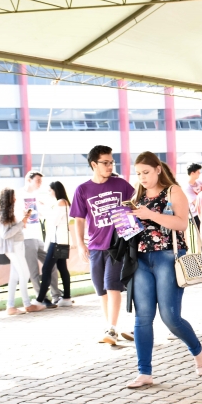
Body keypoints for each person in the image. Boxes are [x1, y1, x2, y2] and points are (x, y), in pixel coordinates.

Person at [125, 152, 202, 388]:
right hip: (141, 259)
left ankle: (197, 350)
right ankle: (144, 372)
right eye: (138, 173)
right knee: (143, 317)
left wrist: (150, 215)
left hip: (168, 257)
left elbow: (181, 224)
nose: (142, 177)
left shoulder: (173, 191)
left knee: (170, 317)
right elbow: (134, 229)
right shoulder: (137, 195)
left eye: (146, 172)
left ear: (158, 169)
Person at [71, 145, 135, 345]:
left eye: (111, 162)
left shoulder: (121, 184)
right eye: (105, 163)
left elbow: (136, 204)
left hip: (118, 246)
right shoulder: (82, 190)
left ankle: (112, 329)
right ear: (94, 164)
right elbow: (79, 219)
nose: (110, 166)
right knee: (101, 290)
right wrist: (80, 244)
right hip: (95, 246)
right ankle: (110, 327)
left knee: (112, 285)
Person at [0, 188, 46, 315]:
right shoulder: (5, 213)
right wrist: (21, 223)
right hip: (14, 247)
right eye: (13, 196)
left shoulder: (8, 212)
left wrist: (23, 220)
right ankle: (27, 304)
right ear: (8, 198)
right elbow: (5, 234)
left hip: (16, 246)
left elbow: (11, 230)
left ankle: (10, 306)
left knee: (15, 276)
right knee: (25, 274)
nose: (15, 198)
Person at [17, 170, 62, 308]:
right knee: (34, 270)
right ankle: (41, 298)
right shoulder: (19, 195)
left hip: (39, 237)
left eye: (41, 181)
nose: (40, 184)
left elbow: (44, 214)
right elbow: (16, 215)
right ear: (28, 180)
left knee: (51, 265)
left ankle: (56, 295)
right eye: (38, 181)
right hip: (26, 237)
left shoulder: (37, 196)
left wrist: (44, 207)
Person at [34, 181, 73, 308]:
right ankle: (66, 297)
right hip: (63, 240)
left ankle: (40, 299)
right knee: (62, 268)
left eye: (50, 190)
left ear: (55, 190)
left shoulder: (60, 202)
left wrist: (43, 208)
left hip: (57, 241)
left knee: (46, 269)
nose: (48, 193)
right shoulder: (64, 202)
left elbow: (53, 221)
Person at [183, 163, 202, 229]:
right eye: (198, 172)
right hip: (196, 214)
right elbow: (195, 202)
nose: (199, 173)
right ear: (192, 173)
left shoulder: (200, 182)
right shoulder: (187, 187)